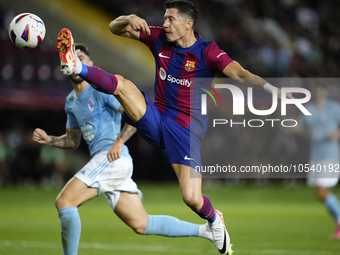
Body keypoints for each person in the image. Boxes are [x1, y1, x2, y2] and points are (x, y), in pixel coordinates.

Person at [57, 1, 292, 254]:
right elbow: (115, 28)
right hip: (157, 118)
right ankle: (76, 66)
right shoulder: (158, 37)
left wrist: (272, 89)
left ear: (188, 24)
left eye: (171, 19)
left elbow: (240, 73)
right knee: (124, 86)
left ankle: (214, 219)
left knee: (191, 198)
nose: (165, 24)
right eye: (165, 19)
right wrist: (128, 17)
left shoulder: (208, 52)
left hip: (185, 131)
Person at [33, 43, 217, 255]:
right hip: (109, 164)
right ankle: (206, 231)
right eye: (71, 58)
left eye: (81, 58)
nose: (76, 61)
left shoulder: (99, 90)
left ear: (90, 64)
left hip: (111, 159)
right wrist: (50, 140)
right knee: (142, 224)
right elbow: (73, 141)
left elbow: (135, 113)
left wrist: (119, 140)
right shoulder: (71, 102)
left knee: (64, 202)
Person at [295, 83, 340, 240]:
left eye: (321, 89)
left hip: (330, 156)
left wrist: (337, 134)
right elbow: (300, 128)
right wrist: (296, 129)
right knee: (320, 193)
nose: (318, 92)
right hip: (316, 157)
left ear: (326, 92)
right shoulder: (309, 109)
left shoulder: (334, 108)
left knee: (322, 191)